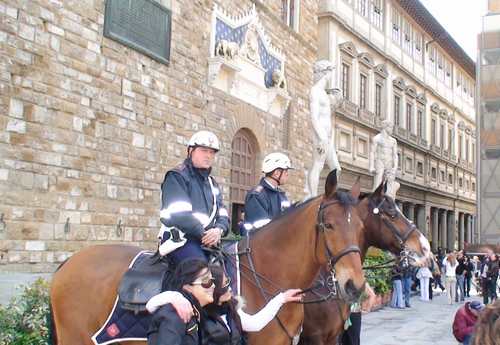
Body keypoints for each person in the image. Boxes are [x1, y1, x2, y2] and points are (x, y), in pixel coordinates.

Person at [158, 130, 230, 264]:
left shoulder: (212, 183)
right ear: (191, 151)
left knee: (232, 270)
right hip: (180, 240)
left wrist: (219, 230)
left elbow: (223, 214)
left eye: (212, 152)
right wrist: (204, 235)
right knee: (200, 273)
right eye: (204, 150)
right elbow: (180, 215)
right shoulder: (177, 176)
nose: (208, 156)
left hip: (209, 241)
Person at [201, 265, 303, 345]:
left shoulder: (231, 308)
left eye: (228, 282)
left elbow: (255, 323)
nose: (230, 289)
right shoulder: (199, 317)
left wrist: (282, 298)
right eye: (224, 286)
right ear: (214, 289)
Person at [147, 259, 215, 345]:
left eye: (212, 281)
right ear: (187, 287)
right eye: (206, 282)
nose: (213, 285)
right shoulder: (176, 314)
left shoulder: (194, 309)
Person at [305, 59, 342, 198]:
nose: (332, 75)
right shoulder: (315, 91)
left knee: (336, 169)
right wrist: (321, 137)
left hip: (328, 136)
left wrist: (336, 99)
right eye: (331, 71)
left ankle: (331, 196)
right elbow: (314, 117)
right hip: (320, 135)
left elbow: (327, 113)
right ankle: (313, 196)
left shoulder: (324, 93)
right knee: (318, 165)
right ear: (326, 72)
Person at [243, 152, 292, 233]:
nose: (287, 174)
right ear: (276, 173)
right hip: (258, 244)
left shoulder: (281, 195)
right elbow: (263, 229)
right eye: (286, 171)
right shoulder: (257, 196)